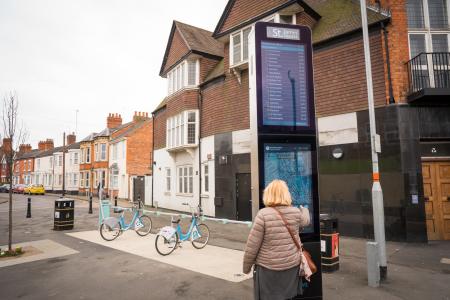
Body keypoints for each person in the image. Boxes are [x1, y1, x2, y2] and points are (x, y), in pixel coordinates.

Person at [243, 179, 310, 300]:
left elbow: (252, 246)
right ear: (286, 194)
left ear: (268, 194)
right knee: (288, 297)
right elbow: (306, 220)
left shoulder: (263, 214)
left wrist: (246, 268)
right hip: (291, 268)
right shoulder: (295, 213)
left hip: (268, 271)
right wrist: (304, 209)